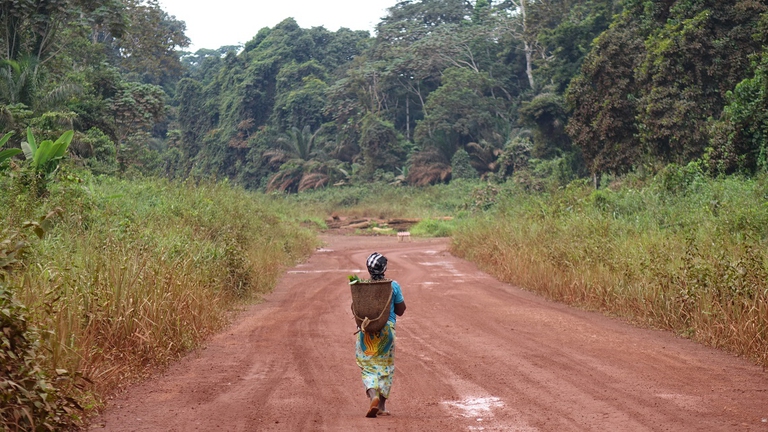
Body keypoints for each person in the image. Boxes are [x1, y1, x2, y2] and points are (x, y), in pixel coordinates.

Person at [356, 252, 406, 418]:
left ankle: (373, 396)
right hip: (387, 332)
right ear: (384, 268)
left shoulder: (361, 286)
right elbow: (401, 310)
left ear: (368, 269)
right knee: (386, 367)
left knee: (367, 365)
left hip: (366, 332)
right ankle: (382, 406)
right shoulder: (393, 286)